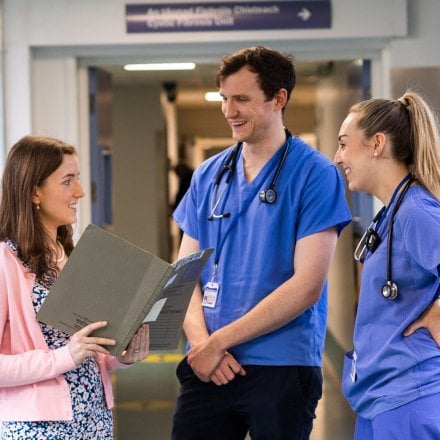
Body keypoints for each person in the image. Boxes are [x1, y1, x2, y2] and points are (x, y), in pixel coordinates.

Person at [171, 46, 351, 439]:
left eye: (241, 99)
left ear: (278, 98)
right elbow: (183, 275)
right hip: (208, 366)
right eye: (224, 99)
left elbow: (306, 286)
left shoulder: (315, 175)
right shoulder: (208, 176)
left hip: (281, 366)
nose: (229, 111)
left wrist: (218, 342)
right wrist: (203, 346)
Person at [0, 135, 150, 439]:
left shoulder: (73, 254)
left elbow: (91, 348)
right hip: (38, 428)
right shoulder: (6, 261)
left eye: (78, 179)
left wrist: (122, 356)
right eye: (68, 181)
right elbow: (68, 353)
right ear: (34, 193)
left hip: (94, 417)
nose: (80, 192)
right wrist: (64, 357)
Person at [334, 91, 440, 439]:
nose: (338, 157)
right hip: (381, 397)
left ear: (377, 143)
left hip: (409, 397)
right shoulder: (391, 214)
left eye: (344, 144)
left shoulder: (416, 212)